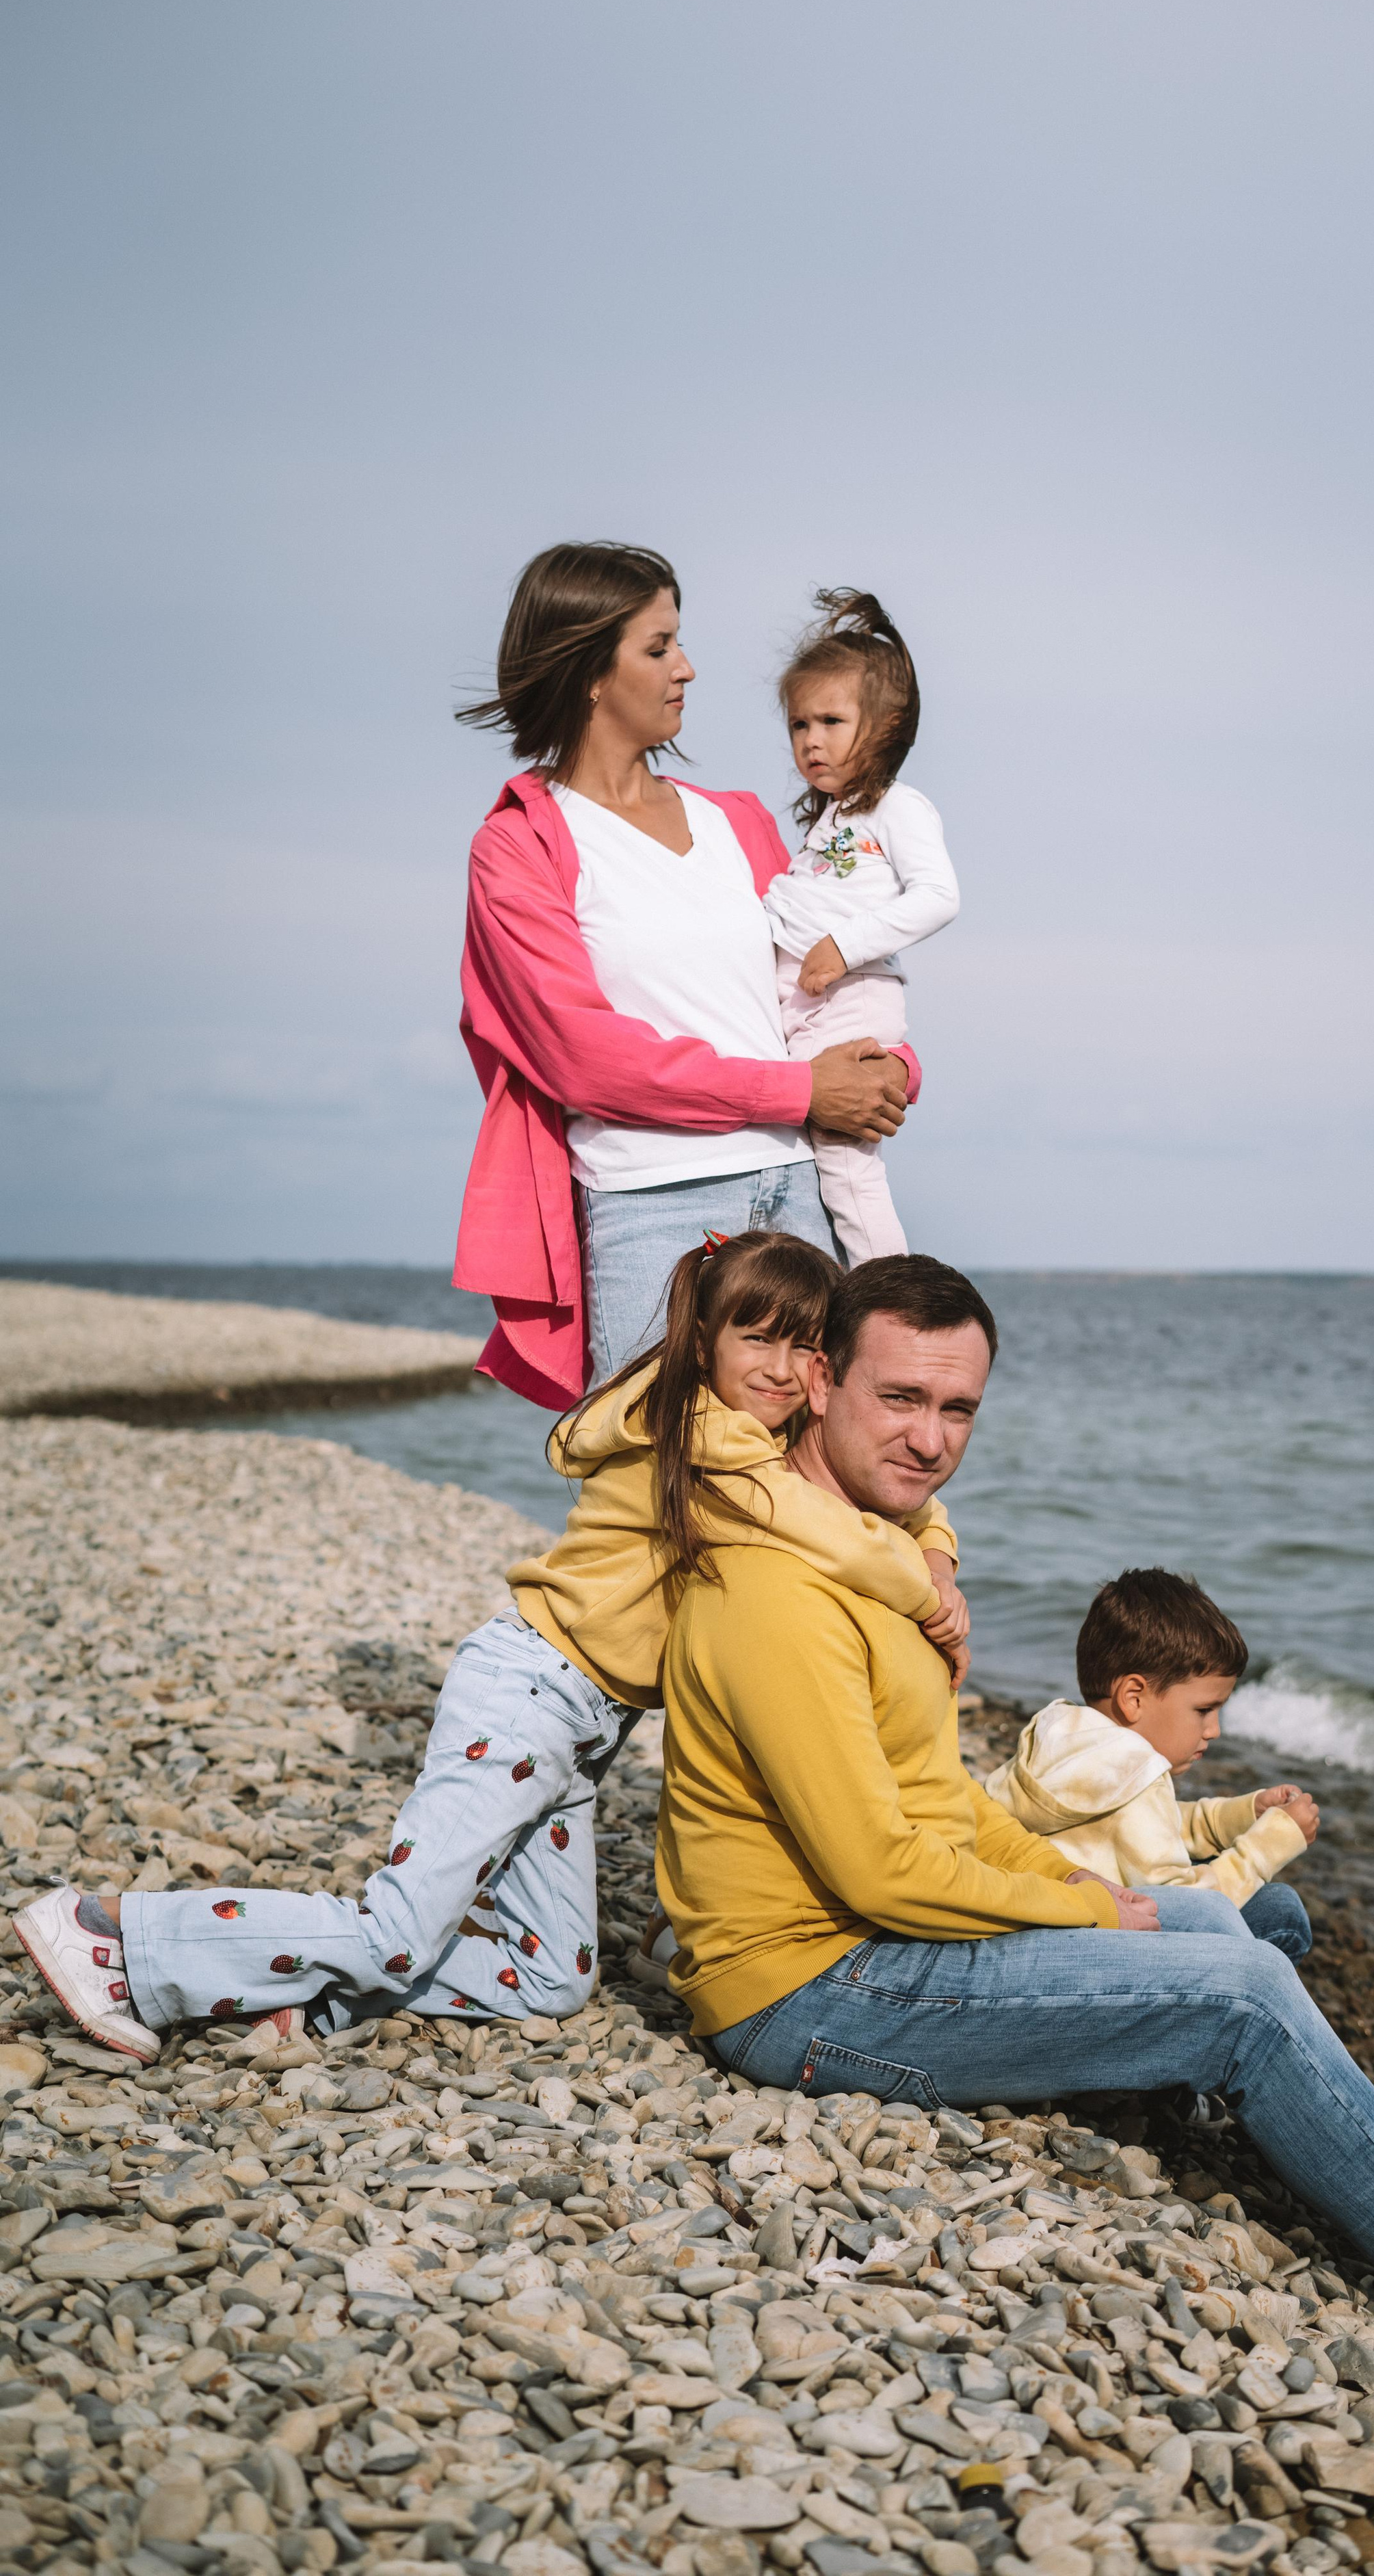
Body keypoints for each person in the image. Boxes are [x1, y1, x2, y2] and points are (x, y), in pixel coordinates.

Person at [655, 1252, 1374, 2389]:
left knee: (1252, 1918)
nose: (931, 1437)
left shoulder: (876, 1561)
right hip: (806, 1992)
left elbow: (944, 1805)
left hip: (875, 1948)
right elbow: (876, 1870)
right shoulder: (780, 1594)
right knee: (1245, 1996)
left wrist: (1106, 1905)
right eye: (901, 1398)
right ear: (819, 1383)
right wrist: (1082, 1901)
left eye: (958, 1406)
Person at [13, 1234, 968, 2061]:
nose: (779, 1365)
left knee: (548, 1978)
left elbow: (900, 1496)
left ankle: (313, 1995)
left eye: (804, 1345)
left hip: (587, 1726)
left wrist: (938, 1550)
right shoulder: (709, 1438)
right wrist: (926, 1599)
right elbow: (840, 1533)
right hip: (532, 1692)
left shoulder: (762, 1435)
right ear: (704, 1337)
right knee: (397, 1927)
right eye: (755, 1336)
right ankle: (120, 1942)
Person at [453, 542, 921, 1407]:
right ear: (591, 668)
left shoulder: (740, 823)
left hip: (800, 1197)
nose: (688, 668)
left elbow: (819, 979)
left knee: (806, 1501)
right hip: (651, 1211)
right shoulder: (521, 846)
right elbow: (585, 1058)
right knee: (649, 1496)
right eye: (659, 646)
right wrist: (801, 1093)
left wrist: (885, 1066)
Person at [762, 591, 960, 1265]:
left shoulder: (898, 808)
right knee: (802, 1159)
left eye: (830, 721)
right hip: (814, 999)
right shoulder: (832, 819)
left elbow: (938, 897)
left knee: (847, 1167)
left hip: (851, 997)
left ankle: (886, 1291)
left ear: (885, 725)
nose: (811, 740)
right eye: (797, 725)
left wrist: (843, 948)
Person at [984, 1566, 1318, 1959]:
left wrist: (1245, 1814)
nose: (1214, 1731)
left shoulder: (1062, 1736)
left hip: (1026, 1933)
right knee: (1283, 1916)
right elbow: (1189, 1910)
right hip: (1088, 1953)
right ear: (1134, 1698)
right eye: (1204, 1710)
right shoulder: (1139, 1776)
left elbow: (1148, 1826)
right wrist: (1269, 1846)